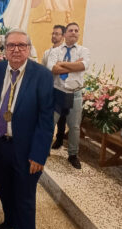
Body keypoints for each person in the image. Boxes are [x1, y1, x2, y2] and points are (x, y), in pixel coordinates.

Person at [0, 29, 54, 229]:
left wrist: (39, 154)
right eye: (11, 45)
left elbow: (46, 120)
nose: (16, 49)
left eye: (21, 45)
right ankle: (10, 220)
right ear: (4, 48)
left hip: (26, 151)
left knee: (25, 197)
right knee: (4, 189)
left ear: (29, 48)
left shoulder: (42, 76)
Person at [46, 22, 90, 169]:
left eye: (76, 30)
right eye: (70, 30)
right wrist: (73, 65)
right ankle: (44, 151)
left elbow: (83, 66)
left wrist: (62, 64)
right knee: (49, 123)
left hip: (75, 93)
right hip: (57, 91)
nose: (73, 32)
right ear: (65, 34)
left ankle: (73, 154)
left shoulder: (84, 51)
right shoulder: (55, 51)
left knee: (74, 126)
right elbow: (52, 69)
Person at [42, 25, 68, 150]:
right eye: (53, 33)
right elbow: (44, 71)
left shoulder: (66, 53)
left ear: (63, 36)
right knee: (49, 117)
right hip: (50, 88)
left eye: (57, 34)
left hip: (64, 89)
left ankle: (59, 139)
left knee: (62, 116)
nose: (54, 36)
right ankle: (45, 143)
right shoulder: (47, 52)